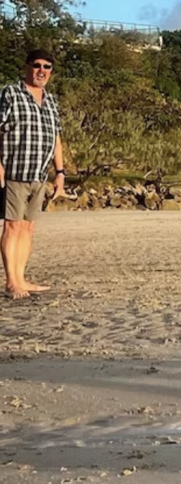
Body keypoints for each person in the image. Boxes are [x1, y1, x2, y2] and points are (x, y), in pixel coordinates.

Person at [0, 49, 66, 299]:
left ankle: (21, 277)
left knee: (28, 227)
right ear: (27, 66)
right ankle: (11, 282)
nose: (42, 70)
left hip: (39, 173)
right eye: (37, 65)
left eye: (47, 66)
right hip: (15, 170)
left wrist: (60, 172)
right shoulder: (11, 94)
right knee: (12, 225)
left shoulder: (51, 101)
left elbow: (56, 138)